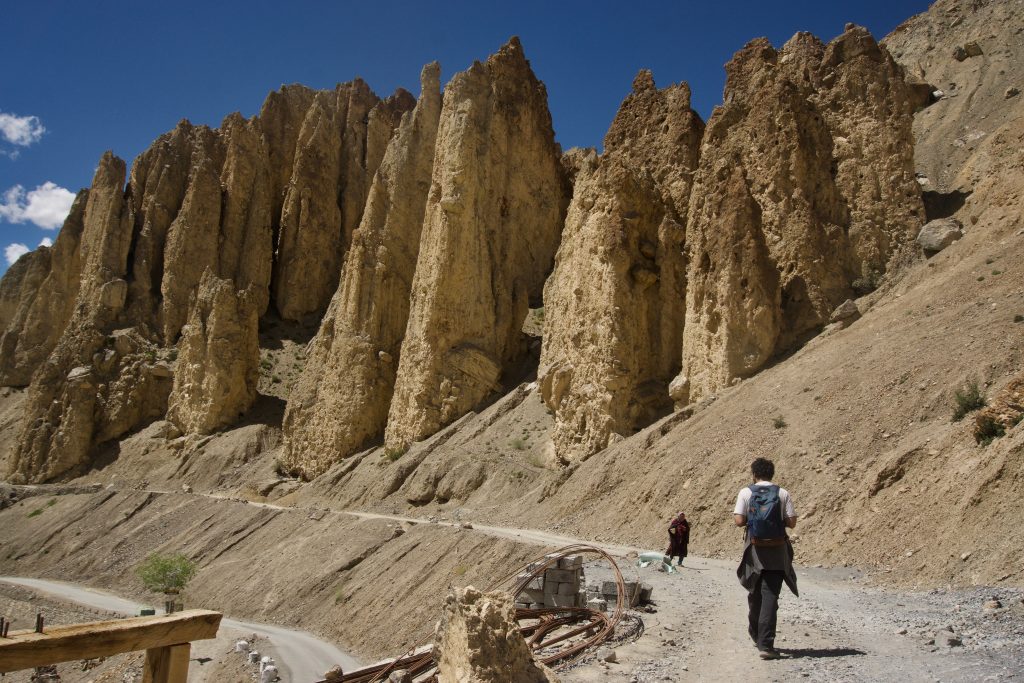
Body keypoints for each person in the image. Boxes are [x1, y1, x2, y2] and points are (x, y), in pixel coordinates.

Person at [733, 457, 798, 660]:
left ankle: (756, 634)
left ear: (754, 474)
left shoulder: (746, 492)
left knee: (755, 593)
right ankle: (766, 645)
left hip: (754, 551)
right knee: (770, 596)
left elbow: (739, 520)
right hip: (777, 551)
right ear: (772, 474)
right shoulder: (782, 493)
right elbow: (792, 522)